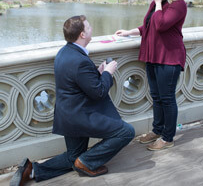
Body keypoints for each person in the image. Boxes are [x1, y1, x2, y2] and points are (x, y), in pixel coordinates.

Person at [10, 15, 135, 186]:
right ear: (83, 35)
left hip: (68, 115)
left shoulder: (66, 52)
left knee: (72, 157)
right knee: (126, 132)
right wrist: (108, 73)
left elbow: (79, 82)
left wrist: (97, 73)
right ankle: (86, 162)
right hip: (81, 116)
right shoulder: (79, 60)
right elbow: (98, 93)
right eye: (89, 27)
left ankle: (30, 170)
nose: (92, 29)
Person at [116, 0, 187, 151]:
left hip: (169, 58)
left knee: (167, 99)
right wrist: (128, 32)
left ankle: (168, 137)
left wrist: (157, 4)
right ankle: (157, 130)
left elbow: (161, 24)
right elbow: (148, 26)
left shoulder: (178, 5)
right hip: (153, 56)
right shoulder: (157, 4)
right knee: (156, 97)